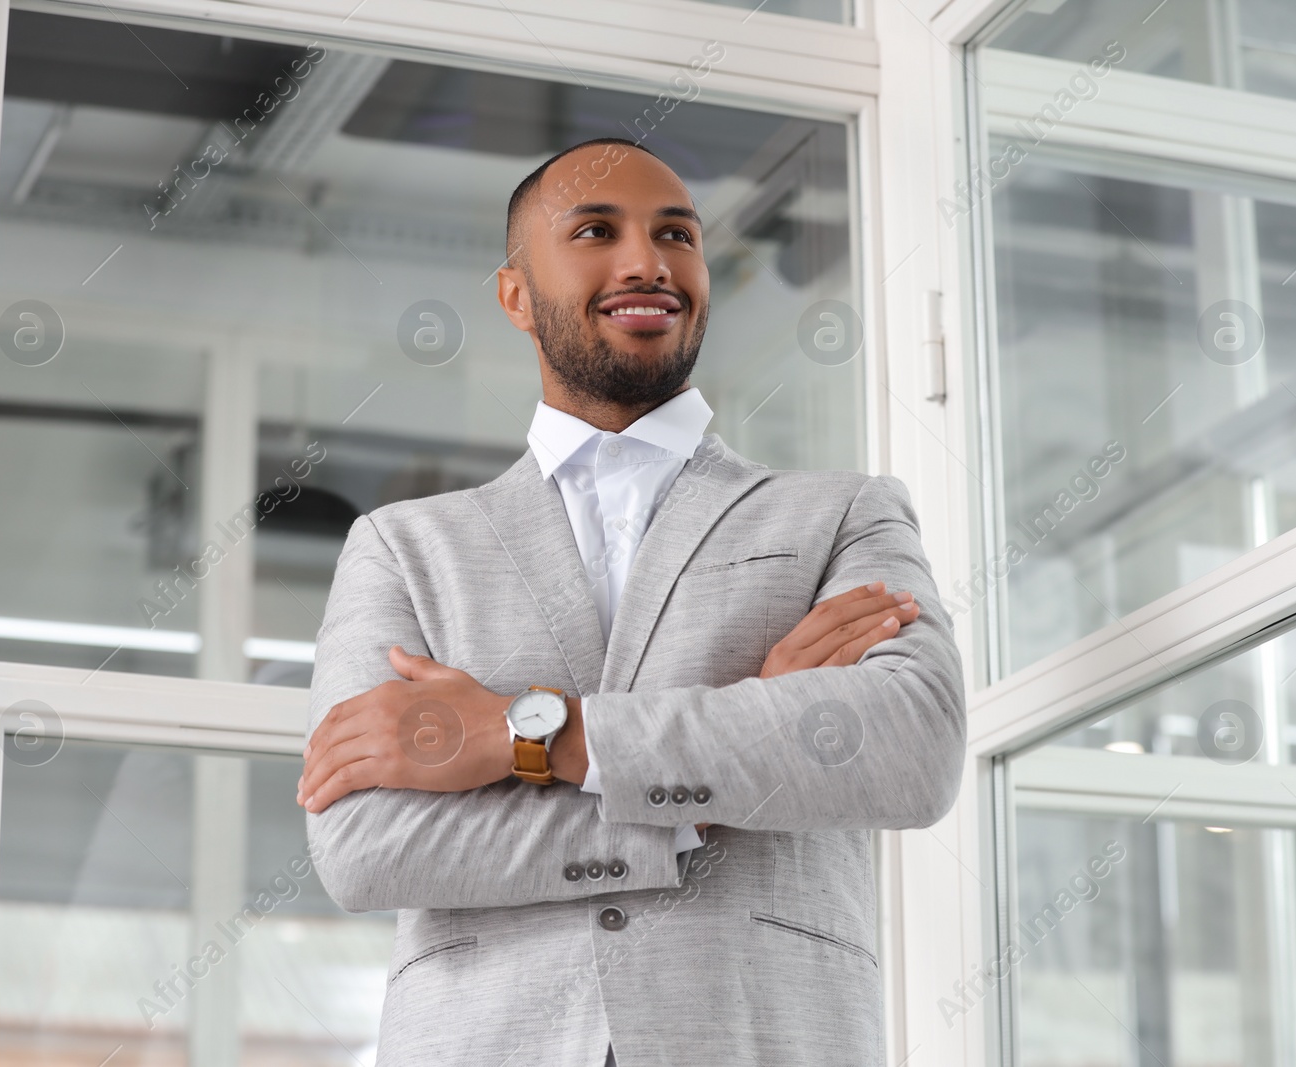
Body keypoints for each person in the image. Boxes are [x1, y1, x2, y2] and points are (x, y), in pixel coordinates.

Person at [298, 137, 966, 1066]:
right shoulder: (404, 547)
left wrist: (519, 733)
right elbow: (367, 843)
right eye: (595, 231)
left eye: (677, 235)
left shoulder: (843, 512)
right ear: (516, 295)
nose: (647, 260)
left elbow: (911, 747)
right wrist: (732, 758)